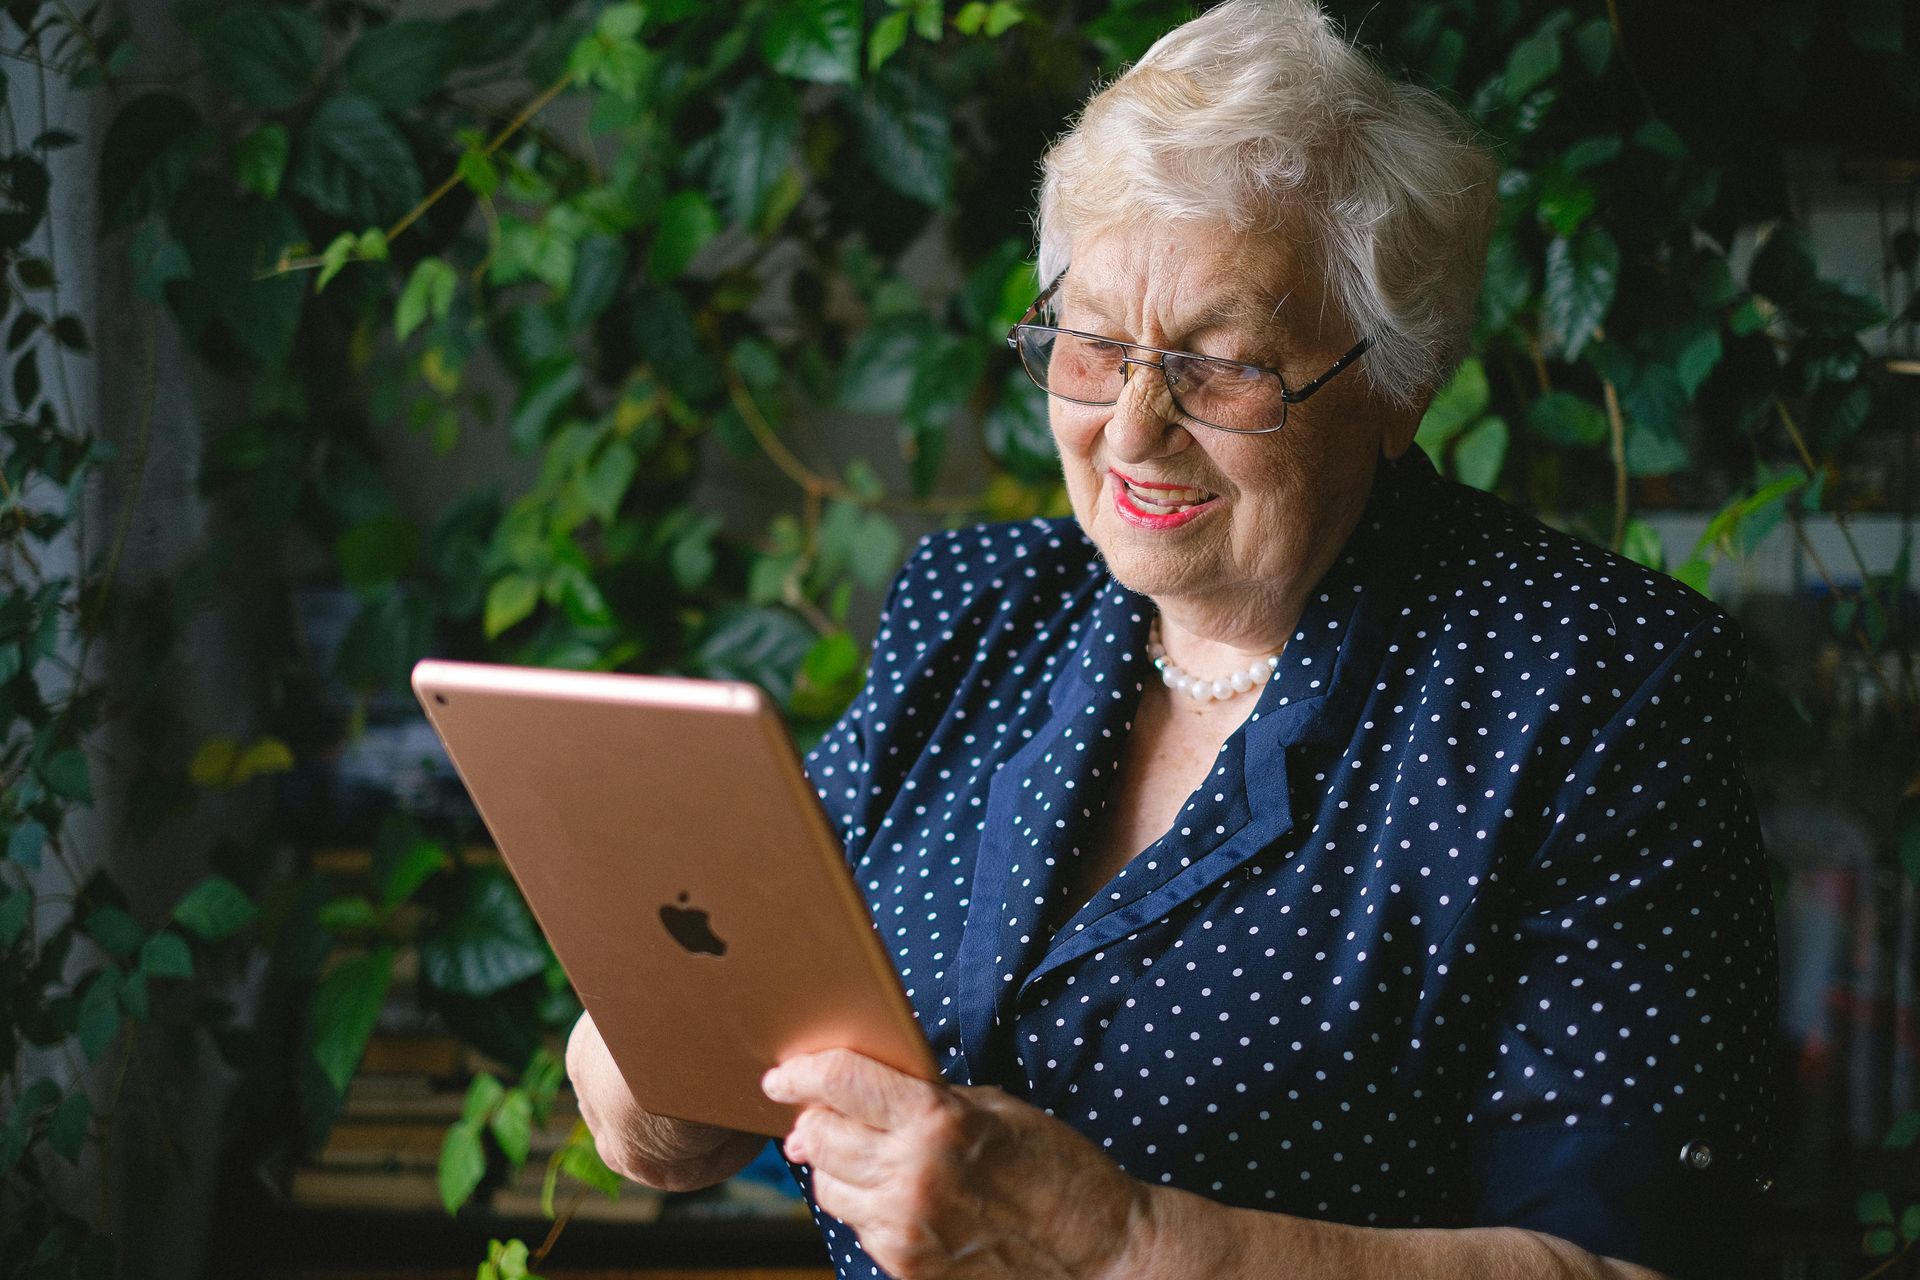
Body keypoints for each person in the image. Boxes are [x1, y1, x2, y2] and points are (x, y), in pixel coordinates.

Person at [566, 1, 1778, 1276]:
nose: (1133, 428)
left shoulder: (1592, 688)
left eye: (1224, 365)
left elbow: (1627, 1259)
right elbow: (693, 1084)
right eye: (1091, 345)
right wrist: (653, 1071)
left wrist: (1118, 1239)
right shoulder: (976, 607)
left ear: (1397, 384)